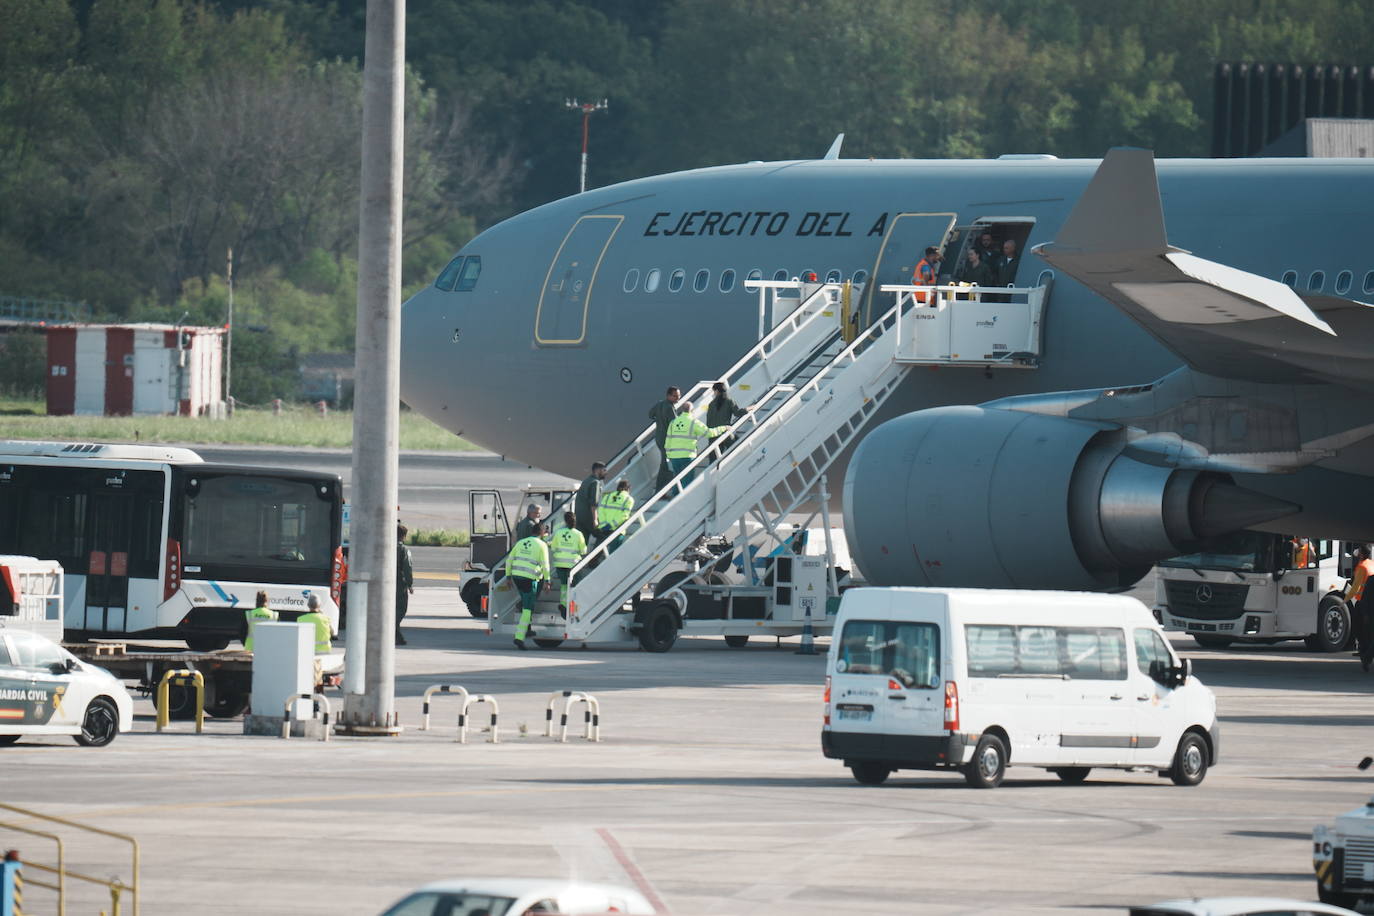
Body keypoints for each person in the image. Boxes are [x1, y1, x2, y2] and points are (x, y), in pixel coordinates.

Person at [506, 520, 551, 649]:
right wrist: (547, 581)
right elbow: (545, 565)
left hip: (517, 577)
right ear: (542, 533)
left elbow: (509, 560)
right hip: (529, 579)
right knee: (528, 608)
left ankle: (528, 627)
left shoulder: (520, 543)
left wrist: (508, 576)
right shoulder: (542, 545)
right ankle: (519, 637)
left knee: (526, 601)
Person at [663, 401, 728, 488]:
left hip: (674, 457)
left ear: (682, 410)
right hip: (687, 456)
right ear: (692, 411)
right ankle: (684, 500)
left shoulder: (673, 422)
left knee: (677, 481)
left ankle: (675, 498)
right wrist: (724, 428)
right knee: (687, 482)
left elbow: (668, 440)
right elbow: (709, 433)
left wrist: (668, 455)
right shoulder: (693, 422)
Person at [550, 511, 587, 613]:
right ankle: (573, 609)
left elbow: (553, 548)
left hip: (560, 563)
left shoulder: (558, 533)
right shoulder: (578, 534)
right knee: (574, 587)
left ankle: (563, 604)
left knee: (564, 585)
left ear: (565, 521)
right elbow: (584, 551)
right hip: (573, 564)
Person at [1346, 544, 1374, 670]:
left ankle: (1366, 656)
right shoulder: (1371, 564)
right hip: (1368, 604)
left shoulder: (1362, 567)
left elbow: (1356, 587)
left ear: (1361, 554)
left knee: (1362, 633)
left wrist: (1344, 600)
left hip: (1364, 605)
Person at [648, 387, 681, 489]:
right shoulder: (670, 408)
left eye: (679, 396)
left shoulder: (659, 404)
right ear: (669, 396)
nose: (678, 398)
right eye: (675, 396)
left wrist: (659, 420)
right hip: (667, 440)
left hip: (659, 438)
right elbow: (675, 424)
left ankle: (662, 489)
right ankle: (662, 489)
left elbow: (650, 414)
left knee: (665, 463)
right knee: (666, 465)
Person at [705, 381, 746, 459]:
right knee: (737, 452)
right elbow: (737, 413)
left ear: (716, 391)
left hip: (714, 435)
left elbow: (708, 422)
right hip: (726, 433)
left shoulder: (711, 404)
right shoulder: (729, 401)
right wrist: (747, 409)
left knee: (713, 460)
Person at [574, 461, 608, 544]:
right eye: (604, 470)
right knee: (604, 537)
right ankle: (596, 557)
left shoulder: (586, 481)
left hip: (579, 517)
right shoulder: (595, 483)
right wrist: (595, 520)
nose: (606, 473)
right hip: (589, 517)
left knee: (583, 541)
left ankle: (584, 557)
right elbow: (594, 504)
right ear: (598, 470)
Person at [597, 478, 635, 552]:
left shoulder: (607, 497)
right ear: (628, 489)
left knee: (597, 553)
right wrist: (611, 525)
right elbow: (624, 515)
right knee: (613, 553)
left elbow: (600, 511)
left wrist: (604, 525)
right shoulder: (629, 499)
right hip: (618, 530)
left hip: (604, 529)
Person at [396, 524, 414, 645]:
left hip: (383, 583)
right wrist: (409, 584)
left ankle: (396, 635)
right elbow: (407, 567)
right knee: (400, 610)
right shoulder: (403, 550)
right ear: (403, 536)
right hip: (398, 584)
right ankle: (395, 634)